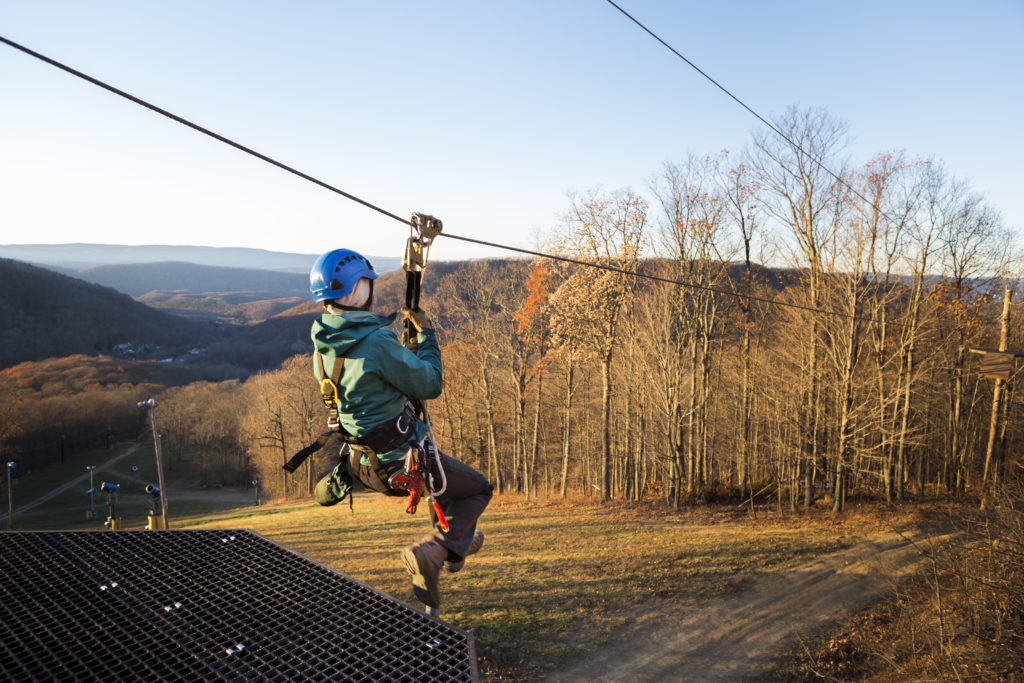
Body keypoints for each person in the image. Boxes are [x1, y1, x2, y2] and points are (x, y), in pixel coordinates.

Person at [308, 247, 493, 612]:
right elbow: (430, 384)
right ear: (359, 291)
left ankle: (453, 547)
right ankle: (437, 551)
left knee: (450, 499)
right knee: (477, 490)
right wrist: (426, 337)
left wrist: (400, 360)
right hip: (403, 466)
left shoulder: (323, 349)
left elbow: (374, 391)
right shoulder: (377, 342)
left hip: (364, 465)